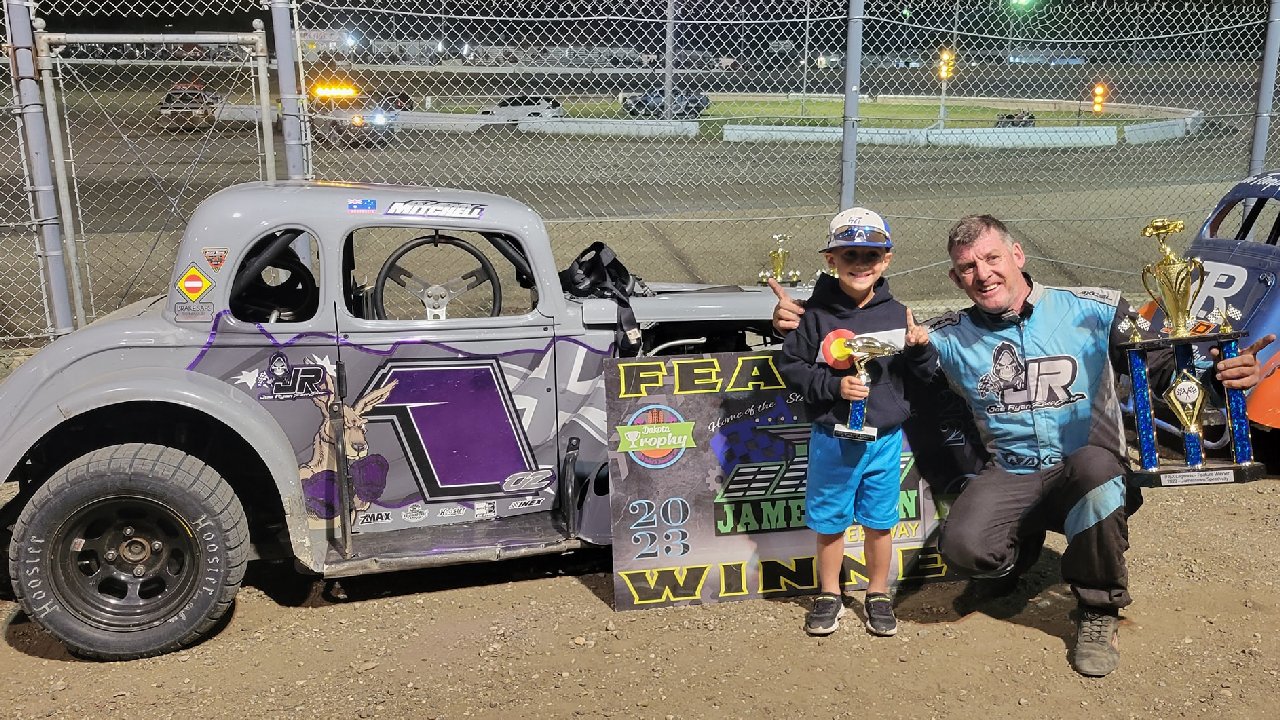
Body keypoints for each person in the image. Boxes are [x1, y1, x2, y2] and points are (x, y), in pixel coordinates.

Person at [769, 213, 1275, 677]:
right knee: (965, 549)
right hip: (1013, 470)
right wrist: (805, 317)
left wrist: (1217, 372)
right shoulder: (947, 334)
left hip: (1085, 467)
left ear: (1017, 256)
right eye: (967, 267)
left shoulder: (1095, 308)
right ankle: (1023, 544)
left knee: (1098, 473)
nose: (982, 274)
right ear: (955, 279)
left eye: (992, 258)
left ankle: (1098, 608)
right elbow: (870, 336)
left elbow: (1162, 368)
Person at [776, 207, 935, 638]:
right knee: (830, 523)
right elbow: (790, 365)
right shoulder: (816, 314)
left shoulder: (897, 312)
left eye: (871, 256)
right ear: (832, 260)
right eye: (850, 255)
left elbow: (921, 375)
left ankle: (877, 593)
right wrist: (833, 387)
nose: (860, 265)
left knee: (880, 522)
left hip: (883, 440)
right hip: (833, 438)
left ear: (886, 260)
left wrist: (920, 349)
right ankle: (830, 593)